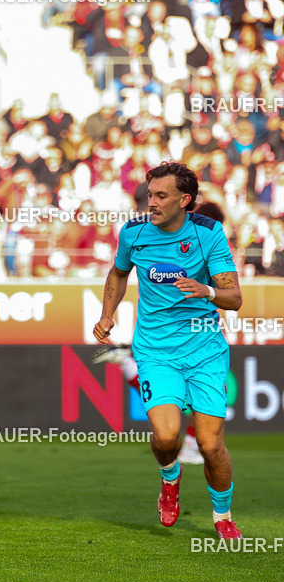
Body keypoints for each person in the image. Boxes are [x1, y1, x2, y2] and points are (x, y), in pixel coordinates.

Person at [93, 162, 243, 540]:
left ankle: (222, 516)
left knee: (210, 445)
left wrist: (205, 290)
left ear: (184, 200)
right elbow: (118, 272)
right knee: (165, 438)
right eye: (150, 195)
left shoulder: (209, 234)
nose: (152, 203)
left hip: (206, 350)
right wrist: (107, 314)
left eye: (161, 196)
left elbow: (234, 298)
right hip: (156, 352)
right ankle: (169, 478)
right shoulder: (134, 232)